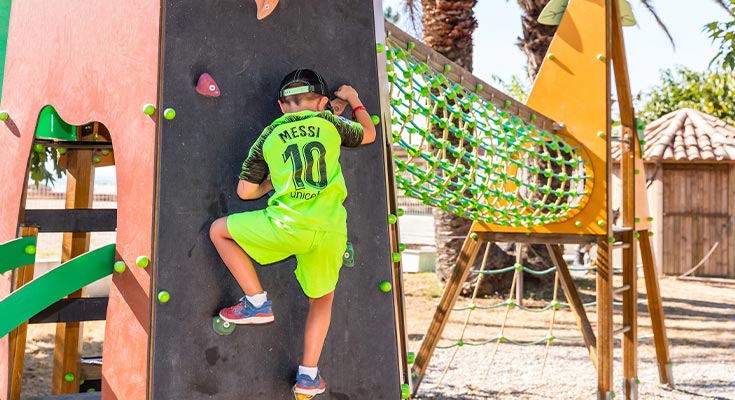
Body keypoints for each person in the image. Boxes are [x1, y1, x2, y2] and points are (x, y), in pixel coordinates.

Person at [209, 68, 376, 397]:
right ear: (322, 103)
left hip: (286, 226)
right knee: (321, 300)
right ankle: (308, 375)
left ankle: (256, 301)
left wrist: (272, 182)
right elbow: (368, 134)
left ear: (283, 106)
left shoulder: (270, 134)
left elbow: (245, 191)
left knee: (219, 231)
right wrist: (354, 101)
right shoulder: (330, 123)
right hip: (329, 231)